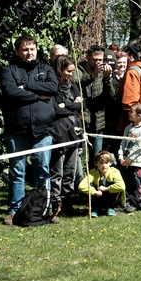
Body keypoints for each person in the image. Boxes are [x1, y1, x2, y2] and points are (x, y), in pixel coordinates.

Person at [0, 35, 58, 225]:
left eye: (32, 48)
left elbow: (53, 87)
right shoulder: (9, 70)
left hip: (43, 130)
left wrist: (29, 86)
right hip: (17, 130)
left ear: (36, 50)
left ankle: (44, 208)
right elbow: (11, 92)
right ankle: (15, 210)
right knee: (17, 171)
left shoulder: (46, 68)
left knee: (42, 169)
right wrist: (38, 96)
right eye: (25, 49)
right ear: (18, 51)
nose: (29, 52)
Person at [49, 57, 84, 218]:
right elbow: (55, 109)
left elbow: (80, 106)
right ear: (60, 70)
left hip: (74, 132)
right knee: (58, 172)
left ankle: (68, 204)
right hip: (59, 134)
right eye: (68, 71)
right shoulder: (53, 87)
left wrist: (68, 106)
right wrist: (71, 106)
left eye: (72, 71)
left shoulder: (74, 86)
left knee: (70, 171)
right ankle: (55, 205)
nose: (71, 74)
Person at [118, 103, 141, 212]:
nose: (129, 113)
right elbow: (123, 143)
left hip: (138, 161)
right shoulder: (128, 128)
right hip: (126, 161)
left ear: (139, 116)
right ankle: (131, 202)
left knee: (139, 183)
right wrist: (121, 156)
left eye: (131, 111)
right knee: (129, 182)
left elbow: (139, 146)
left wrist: (130, 159)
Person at [78, 151, 126, 217]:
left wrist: (107, 189)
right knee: (90, 186)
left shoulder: (115, 171)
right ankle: (95, 209)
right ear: (96, 164)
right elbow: (81, 186)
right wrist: (94, 192)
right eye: (101, 163)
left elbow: (122, 186)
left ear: (110, 163)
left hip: (111, 198)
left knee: (115, 185)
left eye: (106, 163)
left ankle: (110, 208)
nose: (104, 165)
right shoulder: (92, 172)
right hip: (98, 197)